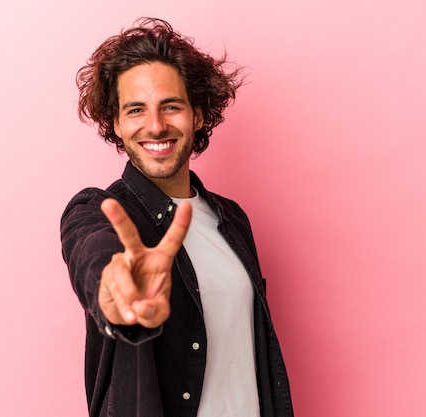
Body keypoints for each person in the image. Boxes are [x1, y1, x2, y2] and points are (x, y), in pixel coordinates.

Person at [60, 18, 294, 417]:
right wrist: (116, 295)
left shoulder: (232, 220)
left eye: (171, 105)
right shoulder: (96, 212)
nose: (155, 125)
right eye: (136, 109)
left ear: (198, 115)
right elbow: (92, 253)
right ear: (116, 123)